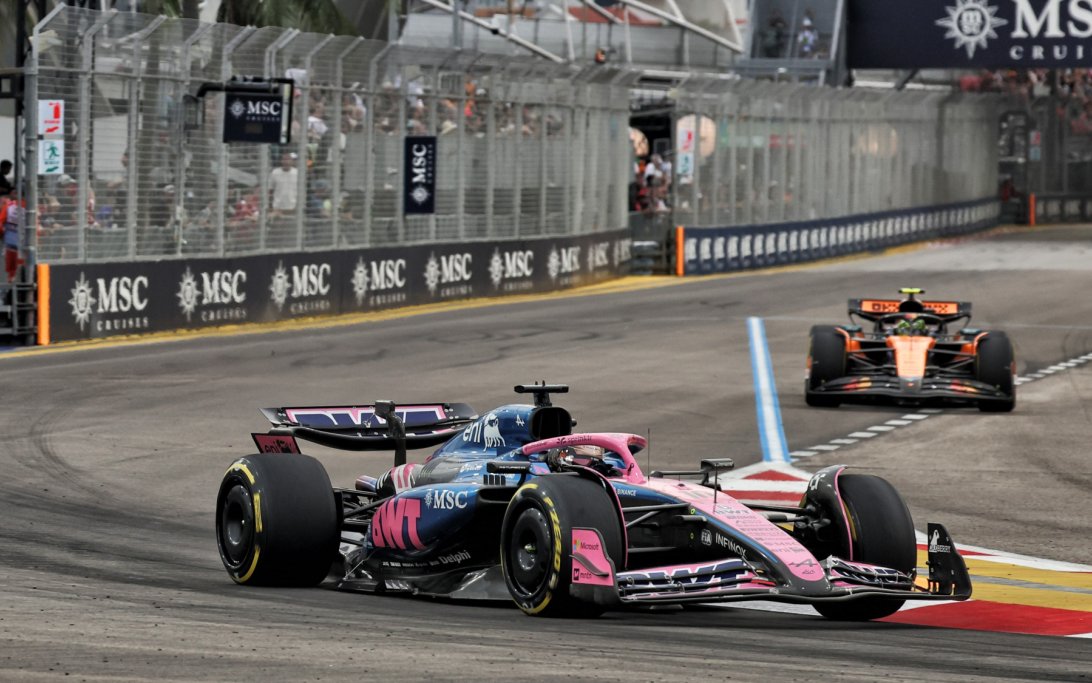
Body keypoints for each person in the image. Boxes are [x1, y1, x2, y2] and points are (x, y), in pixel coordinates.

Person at [0, 184, 24, 281]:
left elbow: (0, 223)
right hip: (26, 242)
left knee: (12, 270)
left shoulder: (9, 206)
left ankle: (12, 277)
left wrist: (2, 235)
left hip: (11, 241)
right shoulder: (32, 207)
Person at [269, 152, 298, 217]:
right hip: (277, 208)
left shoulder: (297, 173)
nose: (286, 162)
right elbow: (270, 190)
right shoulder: (275, 172)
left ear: (292, 161)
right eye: (284, 159)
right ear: (281, 161)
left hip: (293, 208)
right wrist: (271, 206)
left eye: (288, 159)